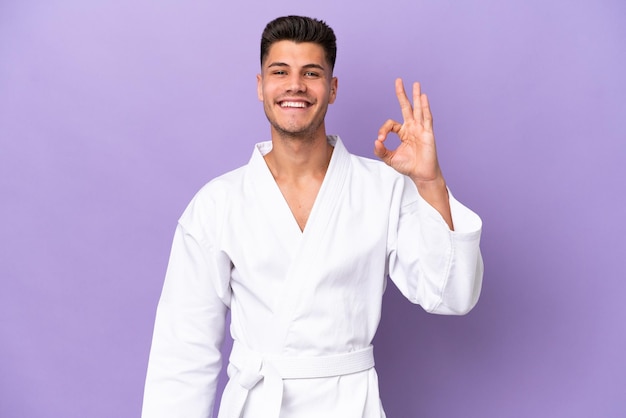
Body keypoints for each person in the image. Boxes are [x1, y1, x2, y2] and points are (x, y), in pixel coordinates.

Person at [142, 15, 483, 418]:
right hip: (259, 405)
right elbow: (183, 350)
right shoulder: (217, 204)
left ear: (332, 88)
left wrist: (429, 182)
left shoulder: (382, 187)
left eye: (311, 73)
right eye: (280, 71)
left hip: (350, 406)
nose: (295, 86)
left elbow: (452, 294)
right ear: (260, 86)